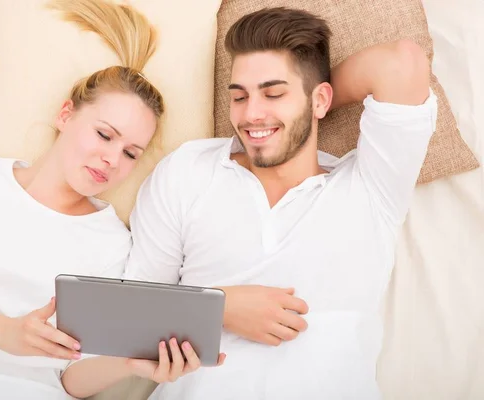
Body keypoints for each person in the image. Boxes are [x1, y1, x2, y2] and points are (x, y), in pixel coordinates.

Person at [0, 1, 224, 399]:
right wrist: (5, 333)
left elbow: (69, 379)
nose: (112, 159)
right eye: (104, 134)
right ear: (66, 115)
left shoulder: (116, 242)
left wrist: (130, 362)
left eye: (132, 153)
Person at [124, 7, 436, 400]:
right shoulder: (189, 171)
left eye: (273, 93)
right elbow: (127, 314)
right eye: (239, 96)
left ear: (322, 99)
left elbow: (401, 63)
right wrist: (218, 308)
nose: (251, 114)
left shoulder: (369, 188)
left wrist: (309, 101)